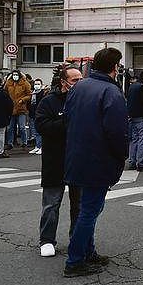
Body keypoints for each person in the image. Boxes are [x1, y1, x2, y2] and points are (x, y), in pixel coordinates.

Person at [63, 47, 128, 277]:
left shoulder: (79, 87)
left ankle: (88, 252)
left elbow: (68, 117)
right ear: (115, 67)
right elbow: (117, 131)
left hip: (76, 155)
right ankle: (75, 260)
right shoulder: (112, 92)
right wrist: (121, 156)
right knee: (90, 210)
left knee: (87, 208)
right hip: (98, 158)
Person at [36, 67, 83, 257]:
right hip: (54, 160)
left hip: (78, 160)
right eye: (75, 80)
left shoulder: (84, 100)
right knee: (51, 204)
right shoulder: (49, 101)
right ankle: (47, 240)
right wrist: (66, 121)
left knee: (79, 205)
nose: (79, 83)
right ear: (63, 82)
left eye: (81, 79)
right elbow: (42, 126)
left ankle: (77, 239)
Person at [126, 71, 143, 171]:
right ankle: (141, 163)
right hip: (142, 117)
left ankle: (132, 162)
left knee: (134, 140)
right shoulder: (142, 87)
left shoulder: (132, 86)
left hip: (132, 117)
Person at [4, 70, 31, 150]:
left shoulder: (25, 83)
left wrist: (23, 100)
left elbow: (29, 94)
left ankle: (24, 143)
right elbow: (5, 92)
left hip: (21, 108)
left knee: (22, 127)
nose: (15, 76)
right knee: (10, 128)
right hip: (11, 108)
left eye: (16, 74)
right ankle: (10, 143)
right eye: (13, 74)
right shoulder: (8, 83)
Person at [27, 78, 47, 155]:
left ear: (41, 85)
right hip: (33, 114)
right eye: (35, 84)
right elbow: (30, 104)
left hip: (40, 115)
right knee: (35, 131)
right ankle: (37, 146)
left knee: (40, 132)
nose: (36, 85)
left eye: (38, 84)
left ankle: (41, 147)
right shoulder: (32, 94)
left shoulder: (43, 94)